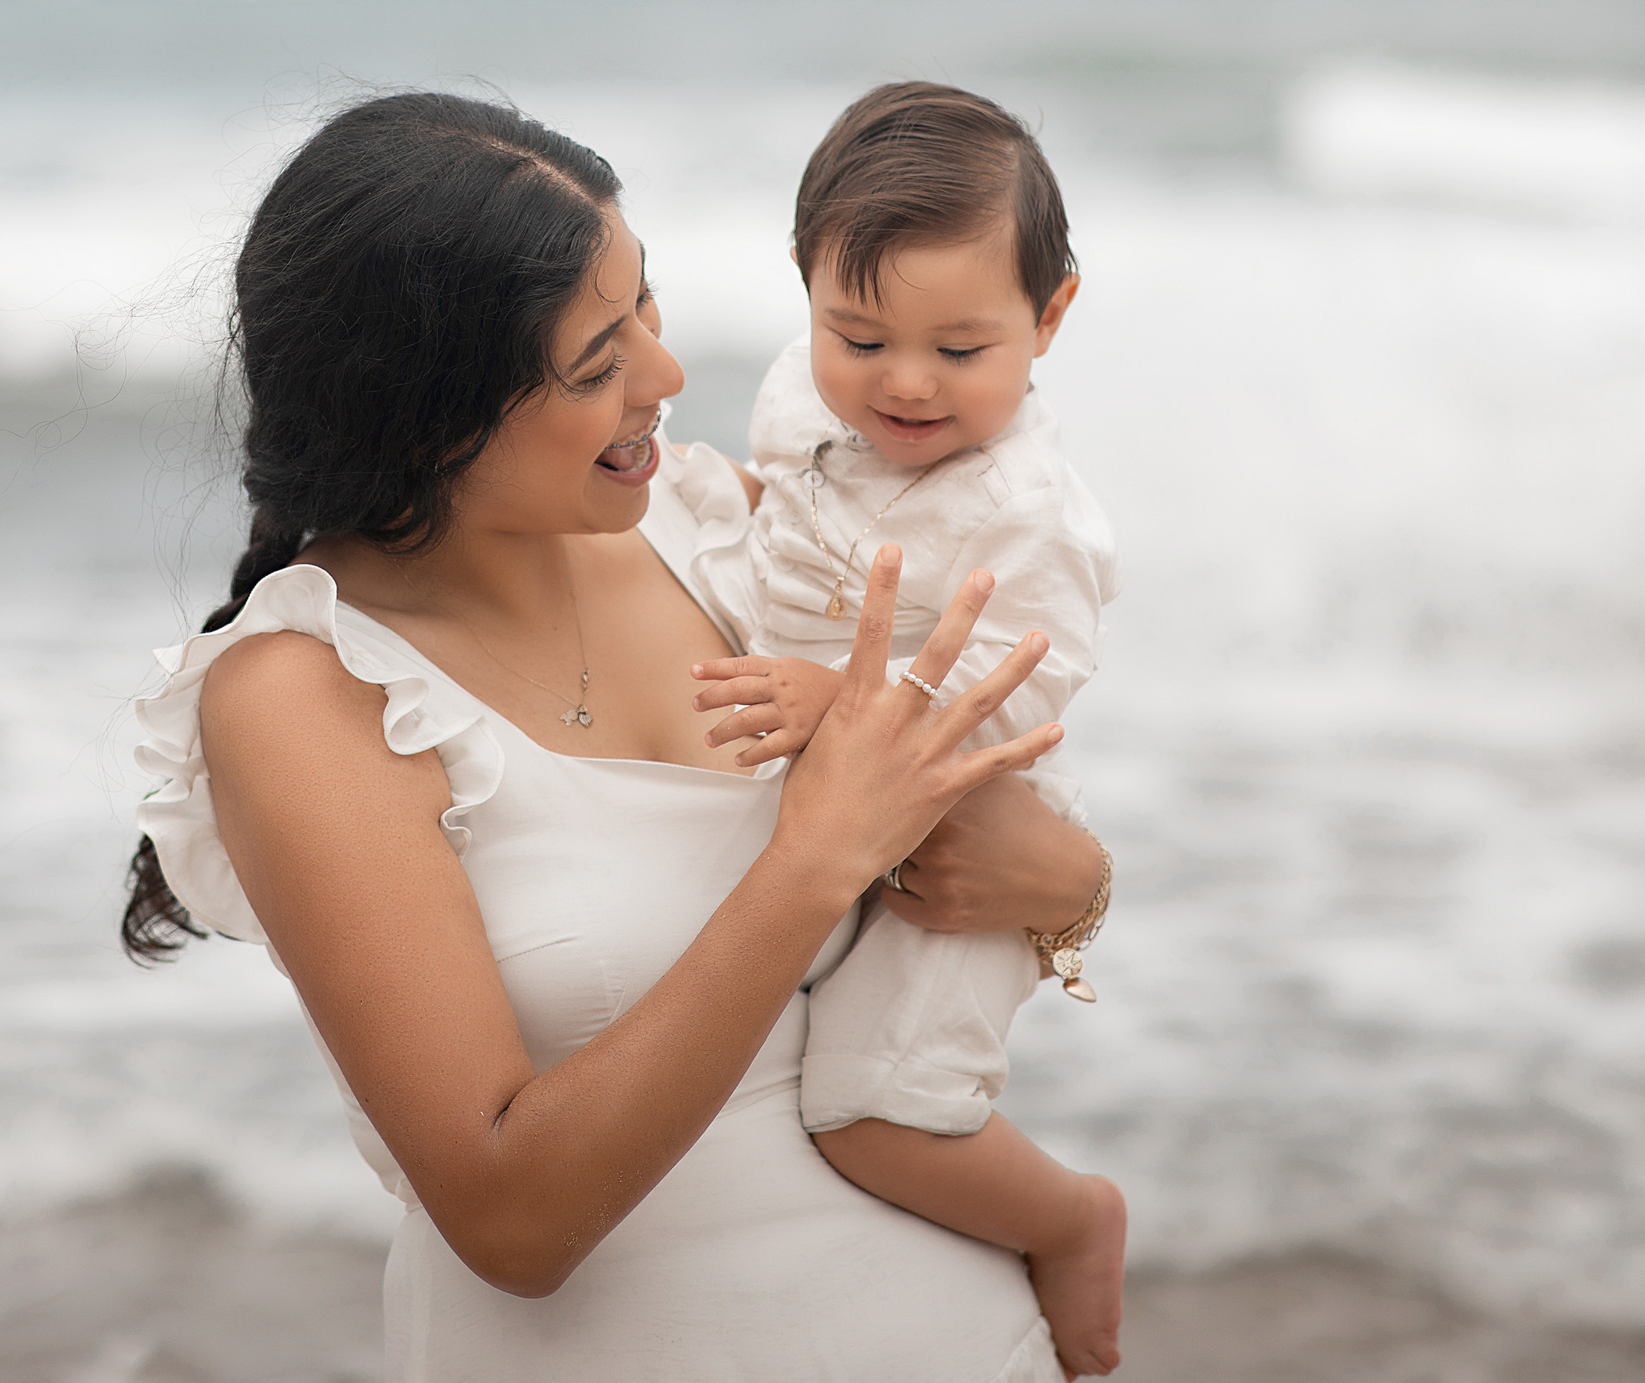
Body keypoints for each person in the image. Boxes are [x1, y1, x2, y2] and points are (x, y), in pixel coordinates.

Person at [121, 92, 1110, 1381]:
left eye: (648, 307)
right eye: (598, 365)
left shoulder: (723, 534)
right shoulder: (305, 696)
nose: (666, 376)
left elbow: (982, 798)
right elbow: (511, 1218)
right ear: (428, 415)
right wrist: (806, 862)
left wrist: (1077, 887)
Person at [685, 82, 1127, 1375]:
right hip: (840, 820)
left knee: (872, 1111)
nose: (907, 384)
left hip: (964, 845)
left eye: (961, 347)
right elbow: (781, 496)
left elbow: (1024, 689)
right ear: (806, 287)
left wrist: (843, 707)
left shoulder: (1028, 513)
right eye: (859, 336)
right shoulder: (811, 392)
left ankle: (1071, 1219)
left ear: (1050, 317)